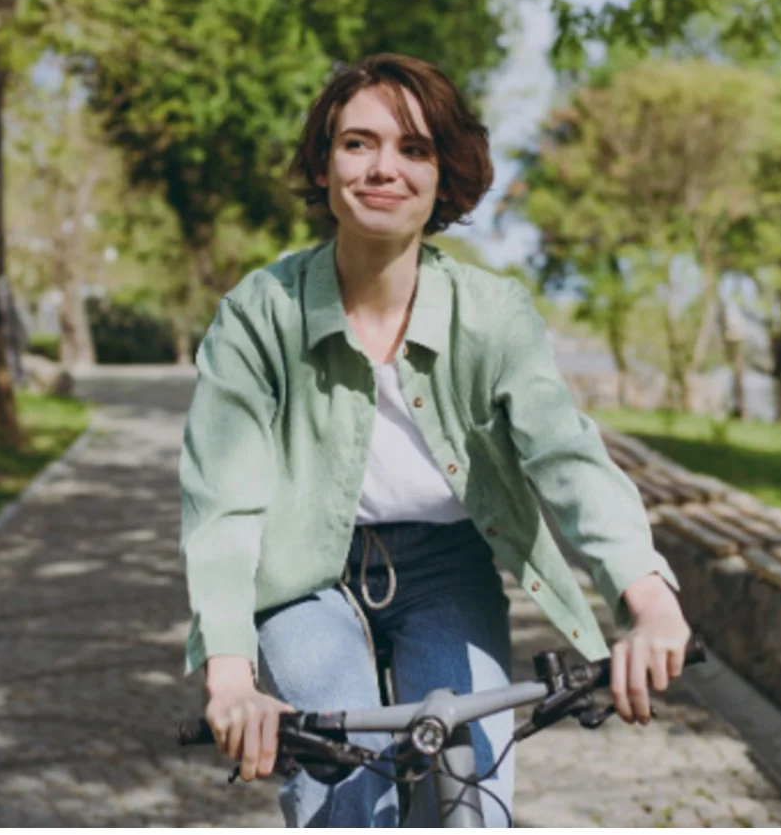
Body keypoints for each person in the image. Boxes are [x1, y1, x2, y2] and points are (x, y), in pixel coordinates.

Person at [178, 53, 692, 827]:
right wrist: (230, 674)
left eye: (413, 149)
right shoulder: (260, 315)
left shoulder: (492, 315)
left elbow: (565, 457)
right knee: (344, 790)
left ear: (441, 175)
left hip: (446, 568)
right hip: (303, 579)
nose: (384, 167)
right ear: (322, 165)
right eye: (357, 143)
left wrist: (648, 603)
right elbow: (222, 505)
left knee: (469, 794)